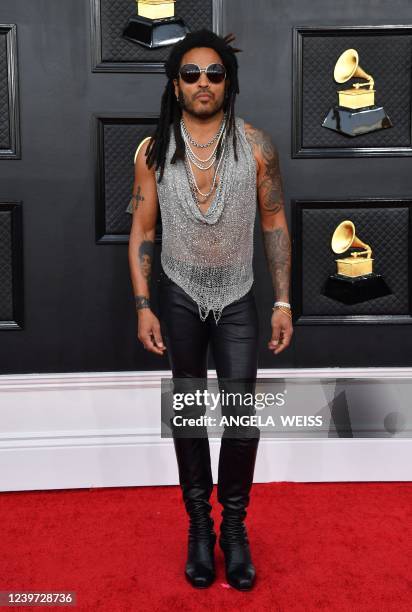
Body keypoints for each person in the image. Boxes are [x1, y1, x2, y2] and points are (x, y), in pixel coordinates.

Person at [126, 29, 293, 591]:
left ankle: (235, 530)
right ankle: (200, 527)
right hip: (176, 292)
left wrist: (283, 301)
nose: (204, 82)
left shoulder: (257, 146)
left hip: (240, 295)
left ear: (230, 82)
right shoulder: (154, 150)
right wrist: (144, 304)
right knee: (190, 414)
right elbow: (142, 231)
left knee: (242, 418)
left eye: (215, 73)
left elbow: (273, 222)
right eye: (192, 74)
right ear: (175, 85)